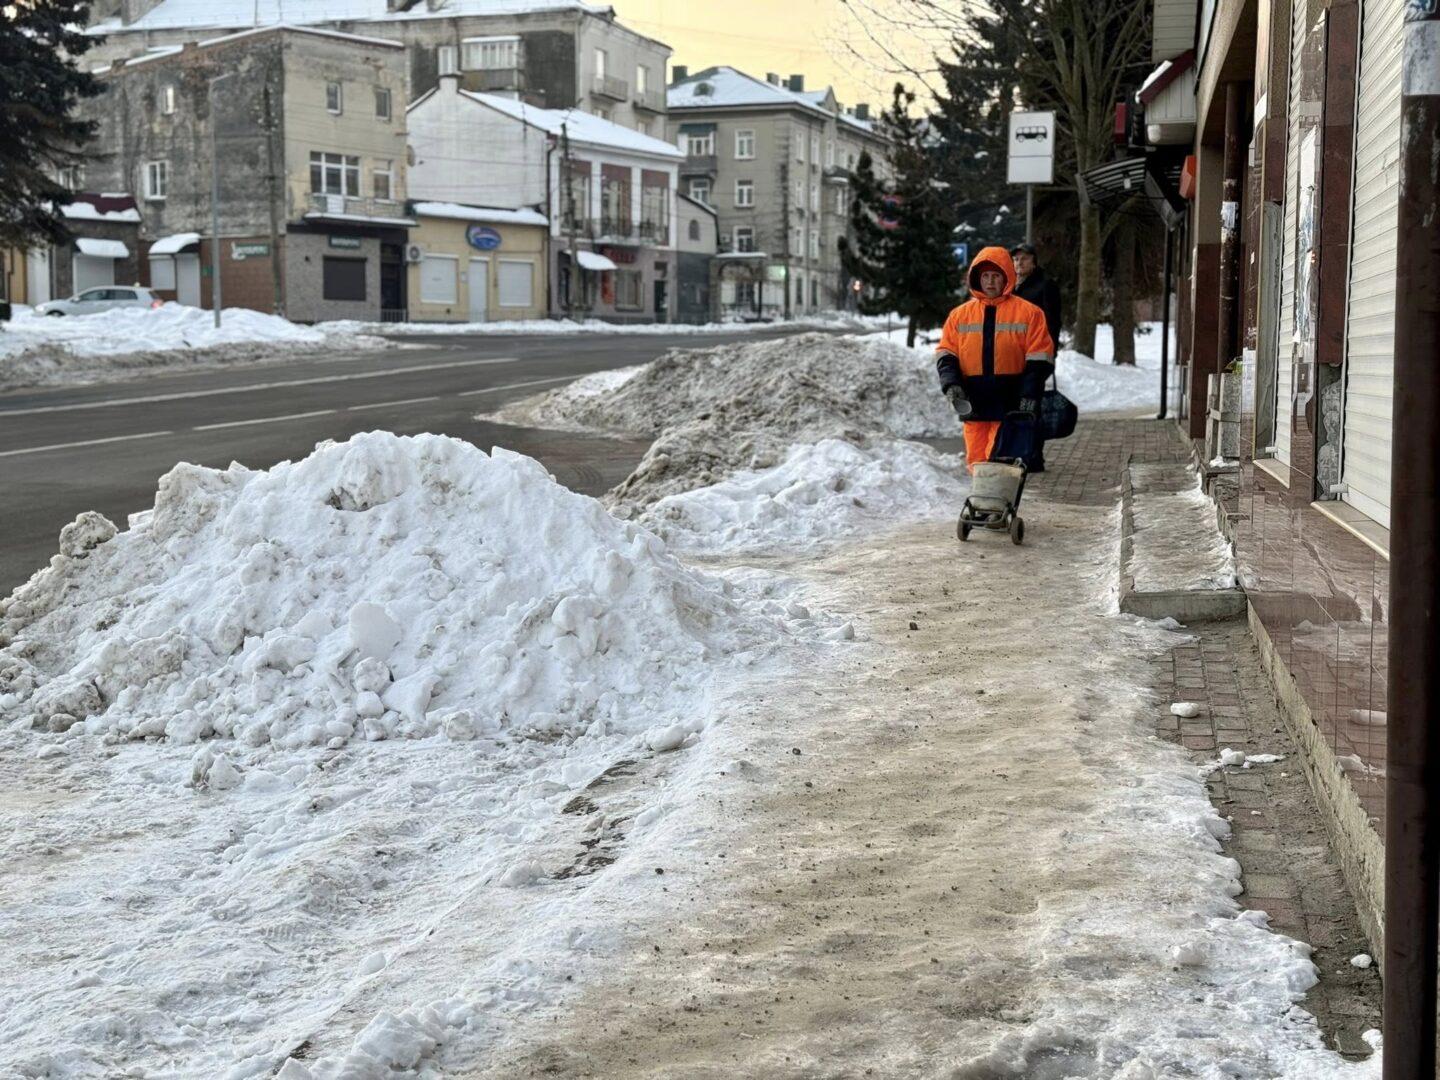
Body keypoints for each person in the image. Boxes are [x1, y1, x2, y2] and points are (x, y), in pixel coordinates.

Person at [935, 246, 1054, 473]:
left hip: (1010, 401)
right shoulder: (959, 316)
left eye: (996, 276)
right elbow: (946, 354)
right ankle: (983, 502)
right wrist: (951, 384)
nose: (990, 282)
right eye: (985, 276)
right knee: (977, 462)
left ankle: (997, 504)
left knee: (1001, 462)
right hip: (975, 401)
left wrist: (1028, 395)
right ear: (976, 279)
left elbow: (1039, 359)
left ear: (1007, 277)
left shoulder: (1029, 313)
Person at [1010, 243, 1061, 472]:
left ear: (1034, 261)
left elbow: (1053, 322)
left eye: (1024, 258)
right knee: (1015, 405)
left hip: (1037, 357)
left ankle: (1033, 457)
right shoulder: (1010, 287)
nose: (1019, 263)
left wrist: (1049, 354)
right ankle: (1017, 452)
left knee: (1031, 406)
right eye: (1016, 259)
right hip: (1012, 358)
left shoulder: (1044, 285)